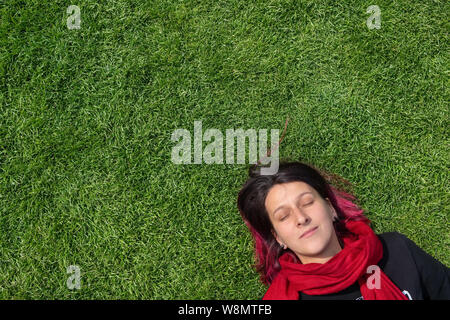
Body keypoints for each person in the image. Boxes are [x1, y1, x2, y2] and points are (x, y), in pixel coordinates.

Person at [236, 161, 450, 300]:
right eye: (283, 216)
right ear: (278, 237)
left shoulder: (395, 249)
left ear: (330, 208)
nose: (301, 218)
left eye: (308, 202)